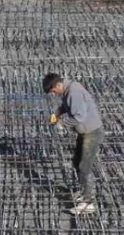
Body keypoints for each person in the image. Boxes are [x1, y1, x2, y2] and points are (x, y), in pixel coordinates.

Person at [44, 73, 104, 215]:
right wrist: (58, 112)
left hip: (92, 133)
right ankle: (83, 192)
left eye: (53, 91)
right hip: (85, 132)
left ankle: (88, 203)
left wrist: (61, 123)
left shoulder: (73, 92)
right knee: (77, 162)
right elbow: (67, 105)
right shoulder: (68, 90)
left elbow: (79, 116)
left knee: (84, 165)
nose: (53, 94)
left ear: (58, 85)